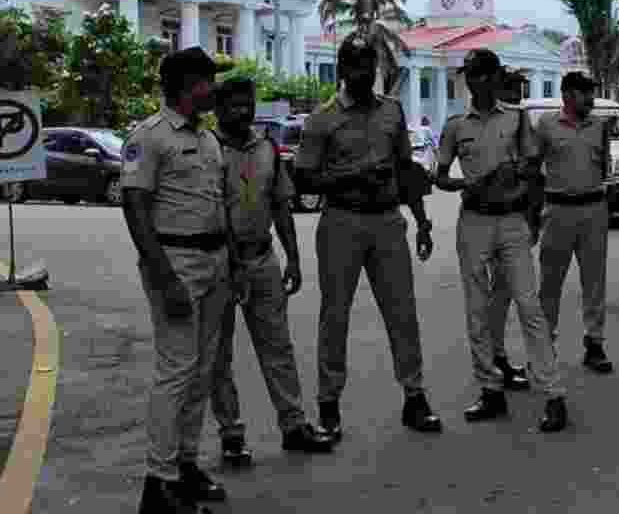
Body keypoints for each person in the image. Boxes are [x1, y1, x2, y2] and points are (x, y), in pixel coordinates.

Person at [293, 35, 442, 439]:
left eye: (369, 66)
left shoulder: (392, 112)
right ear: (341, 69)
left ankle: (415, 397)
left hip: (388, 221)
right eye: (355, 66)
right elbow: (303, 179)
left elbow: (406, 171)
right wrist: (353, 175)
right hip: (342, 221)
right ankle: (328, 405)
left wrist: (423, 220)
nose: (363, 74)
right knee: (334, 315)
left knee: (402, 312)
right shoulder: (322, 119)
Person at [121, 46, 233, 514]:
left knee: (202, 371)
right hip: (177, 261)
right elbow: (135, 207)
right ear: (188, 85)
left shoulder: (208, 139)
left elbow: (218, 201)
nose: (215, 88)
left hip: (215, 260)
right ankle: (159, 480)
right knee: (176, 371)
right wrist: (165, 279)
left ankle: (185, 464)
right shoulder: (149, 136)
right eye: (209, 80)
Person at [434, 49, 569, 432]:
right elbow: (439, 176)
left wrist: (515, 182)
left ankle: (552, 392)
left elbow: (532, 168)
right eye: (471, 75)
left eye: (483, 74)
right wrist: (469, 184)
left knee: (529, 306)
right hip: (474, 220)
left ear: (495, 77)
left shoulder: (517, 118)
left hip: (511, 221)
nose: (477, 81)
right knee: (477, 310)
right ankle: (490, 389)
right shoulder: (456, 125)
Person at [208, 78, 336, 468]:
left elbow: (281, 206)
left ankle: (294, 425)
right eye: (233, 104)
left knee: (277, 346)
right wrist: (233, 265)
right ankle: (232, 436)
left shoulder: (267, 148)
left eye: (247, 104)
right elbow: (213, 214)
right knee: (219, 355)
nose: (242, 111)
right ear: (218, 108)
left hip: (264, 260)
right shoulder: (207, 151)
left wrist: (293, 258)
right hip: (222, 266)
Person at [534, 71, 613, 373]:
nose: (591, 99)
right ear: (567, 94)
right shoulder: (546, 125)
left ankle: (595, 343)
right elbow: (533, 167)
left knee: (595, 281)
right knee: (550, 282)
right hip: (558, 210)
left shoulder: (600, 126)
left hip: (594, 209)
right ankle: (545, 345)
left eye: (591, 93)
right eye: (585, 94)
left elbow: (603, 164)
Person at [482, 68, 534, 390]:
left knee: (519, 295)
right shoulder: (487, 123)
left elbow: (532, 173)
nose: (516, 94)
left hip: (517, 218)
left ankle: (497, 357)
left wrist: (532, 217)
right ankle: (494, 358)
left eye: (519, 88)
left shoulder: (521, 121)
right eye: (510, 88)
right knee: (498, 295)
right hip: (490, 217)